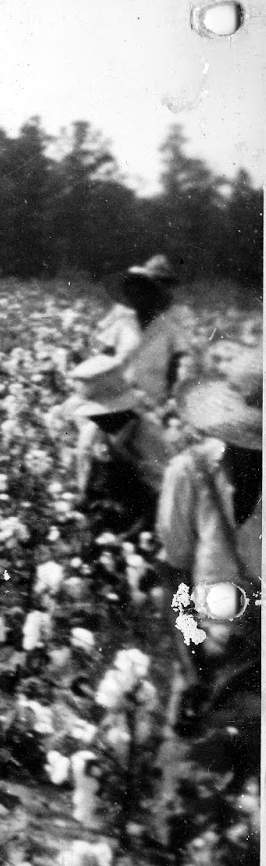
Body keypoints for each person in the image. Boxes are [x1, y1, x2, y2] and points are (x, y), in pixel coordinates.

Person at [153, 346, 260, 812]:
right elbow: (176, 575)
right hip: (203, 647)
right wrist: (191, 656)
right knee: (188, 800)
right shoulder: (190, 474)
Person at [65, 355, 172, 536]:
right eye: (94, 416)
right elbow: (85, 484)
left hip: (147, 526)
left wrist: (124, 453)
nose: (98, 420)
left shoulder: (147, 433)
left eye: (102, 415)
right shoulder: (91, 435)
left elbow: (163, 492)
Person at [95, 254, 193, 406]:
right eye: (131, 294)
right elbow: (103, 359)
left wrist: (170, 399)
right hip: (119, 398)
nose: (136, 298)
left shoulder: (172, 326)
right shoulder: (122, 323)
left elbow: (175, 367)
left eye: (141, 293)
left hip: (153, 400)